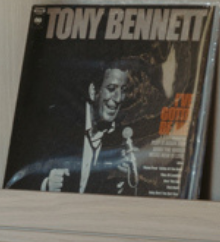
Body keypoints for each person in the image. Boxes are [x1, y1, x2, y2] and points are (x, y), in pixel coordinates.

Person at [8, 60, 143, 194]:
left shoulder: (118, 138)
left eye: (123, 90)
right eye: (111, 89)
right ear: (93, 91)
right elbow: (14, 177)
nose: (118, 98)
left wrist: (124, 182)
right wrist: (46, 184)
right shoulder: (55, 121)